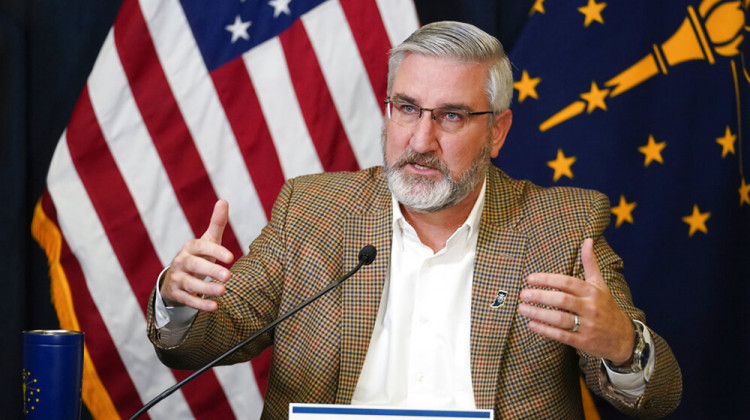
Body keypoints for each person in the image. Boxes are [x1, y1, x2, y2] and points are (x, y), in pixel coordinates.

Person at [147, 21, 682, 419]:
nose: (420, 141)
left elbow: (658, 399)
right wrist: (179, 301)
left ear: (497, 131)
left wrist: (622, 346)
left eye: (451, 116)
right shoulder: (312, 211)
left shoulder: (560, 228)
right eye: (407, 109)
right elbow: (206, 341)